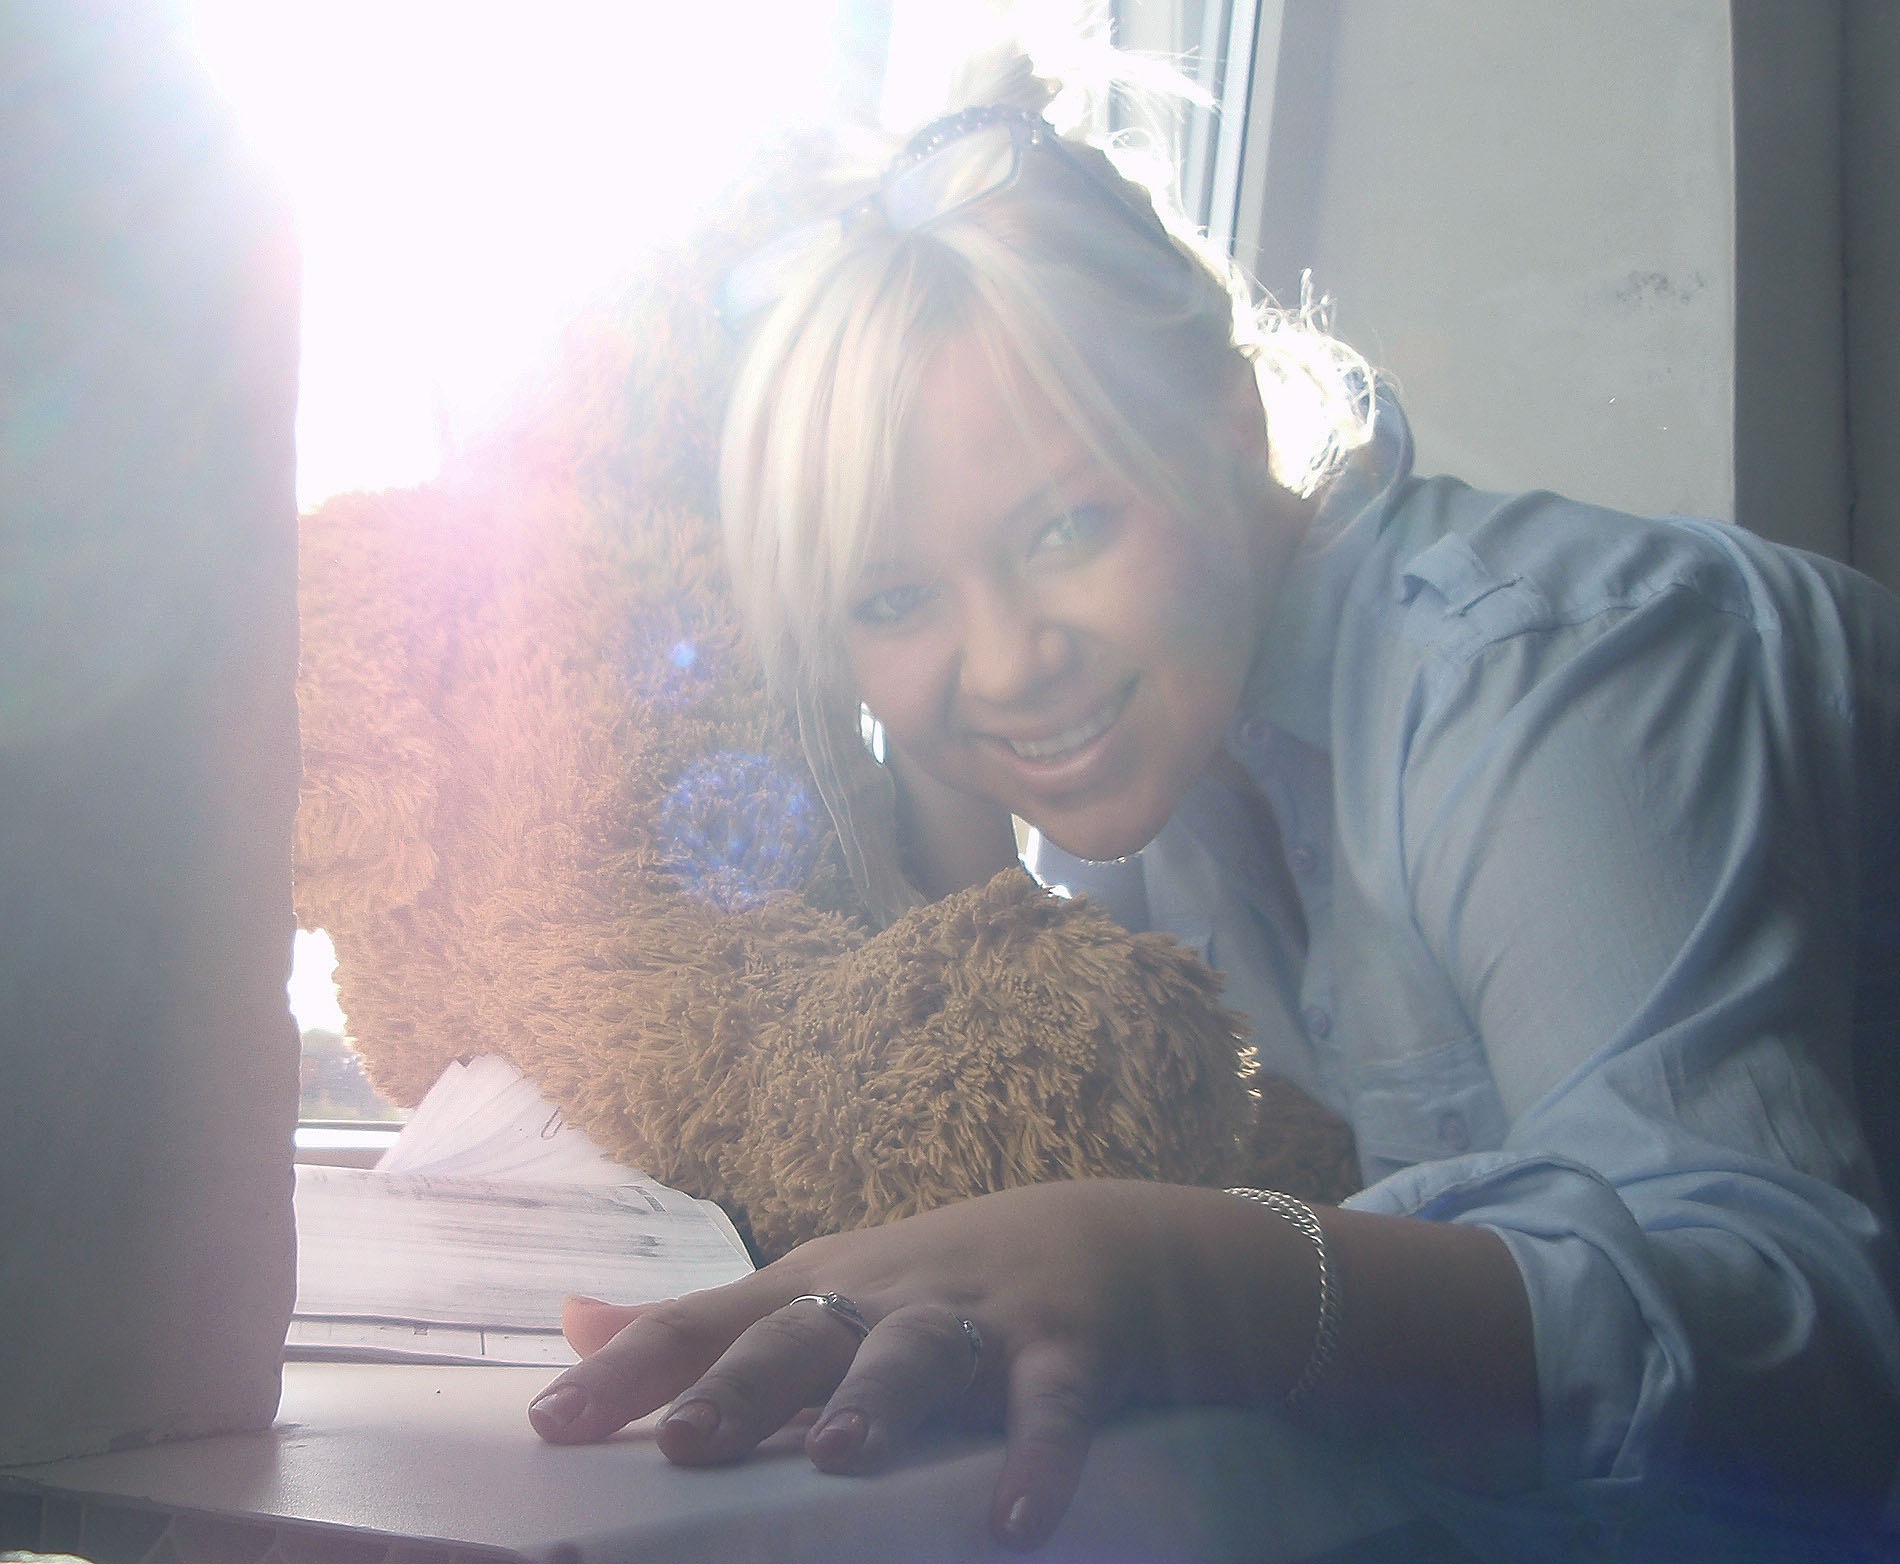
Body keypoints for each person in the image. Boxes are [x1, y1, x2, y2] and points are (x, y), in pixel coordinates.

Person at [526, 41, 1900, 1560]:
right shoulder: (1156, 770)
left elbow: (1822, 1365)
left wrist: (1203, 1272)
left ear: (1233, 431)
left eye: (1068, 525)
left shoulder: (1545, 678)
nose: (1009, 663)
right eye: (894, 597)